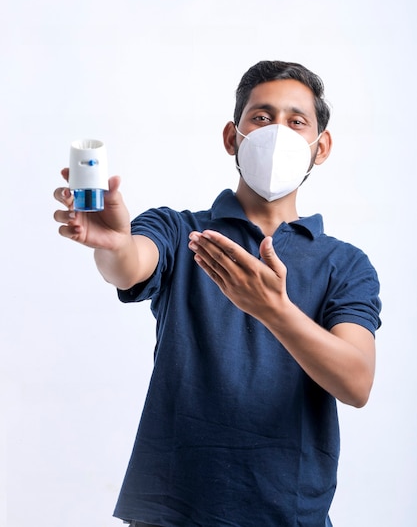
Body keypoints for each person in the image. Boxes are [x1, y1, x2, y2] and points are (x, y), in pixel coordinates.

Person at [54, 60, 381, 527]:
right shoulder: (179, 229)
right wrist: (114, 243)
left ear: (320, 146)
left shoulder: (344, 264)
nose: (277, 133)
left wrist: (274, 310)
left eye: (296, 121)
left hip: (289, 514)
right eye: (262, 117)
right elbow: (129, 265)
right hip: (171, 512)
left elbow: (357, 383)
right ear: (233, 137)